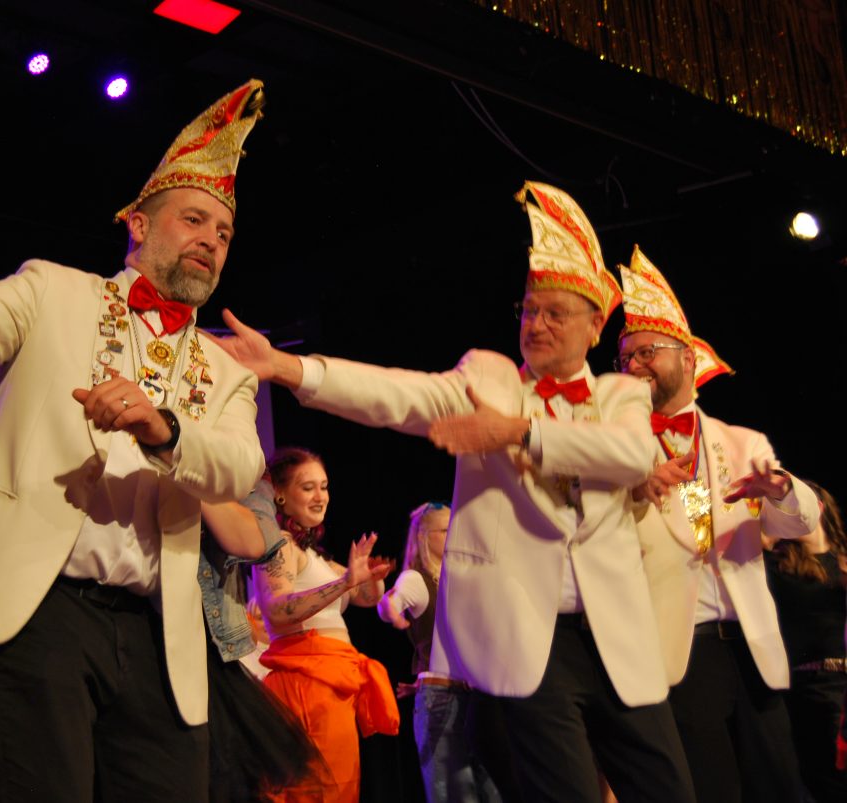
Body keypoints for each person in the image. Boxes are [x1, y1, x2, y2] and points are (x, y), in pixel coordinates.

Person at [217, 182, 696, 803]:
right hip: (531, 644)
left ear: (596, 325)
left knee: (670, 789)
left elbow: (630, 454)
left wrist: (519, 432)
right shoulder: (489, 380)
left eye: (555, 313)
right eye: (529, 310)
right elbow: (397, 395)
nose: (537, 324)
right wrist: (288, 368)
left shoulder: (621, 395)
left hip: (616, 638)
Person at [0, 80, 268, 801]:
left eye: (224, 233)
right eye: (194, 219)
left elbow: (239, 466)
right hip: (36, 606)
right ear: (139, 225)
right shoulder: (53, 290)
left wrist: (164, 427)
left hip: (156, 623)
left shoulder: (227, 371)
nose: (211, 240)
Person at [0, 333, 314, 801]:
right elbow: (8, 417)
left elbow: (249, 538)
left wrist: (174, 454)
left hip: (196, 656)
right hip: (113, 634)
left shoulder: (232, 461)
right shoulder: (127, 429)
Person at [616, 245, 819, 803]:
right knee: (711, 789)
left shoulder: (742, 441)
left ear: (687, 358)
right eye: (624, 358)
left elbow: (802, 524)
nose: (633, 366)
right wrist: (633, 488)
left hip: (749, 643)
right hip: (680, 649)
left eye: (646, 352)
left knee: (781, 786)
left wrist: (781, 491)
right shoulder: (614, 448)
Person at [252, 447, 399, 802]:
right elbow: (277, 610)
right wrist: (345, 582)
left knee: (339, 787)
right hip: (306, 685)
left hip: (332, 683)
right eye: (308, 488)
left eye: (324, 486)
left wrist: (370, 577)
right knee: (317, 790)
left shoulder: (314, 553)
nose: (321, 497)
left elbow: (364, 597)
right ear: (280, 495)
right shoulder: (279, 545)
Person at [378, 502, 507, 803]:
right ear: (424, 537)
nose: (455, 536)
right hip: (444, 701)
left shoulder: (462, 580)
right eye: (446, 530)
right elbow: (392, 601)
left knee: (494, 792)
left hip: (480, 698)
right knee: (455, 794)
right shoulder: (417, 579)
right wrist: (391, 611)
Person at [764, 480, 847, 802]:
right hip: (812, 688)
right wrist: (769, 533)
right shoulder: (778, 565)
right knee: (829, 780)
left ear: (817, 508)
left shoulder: (842, 562)